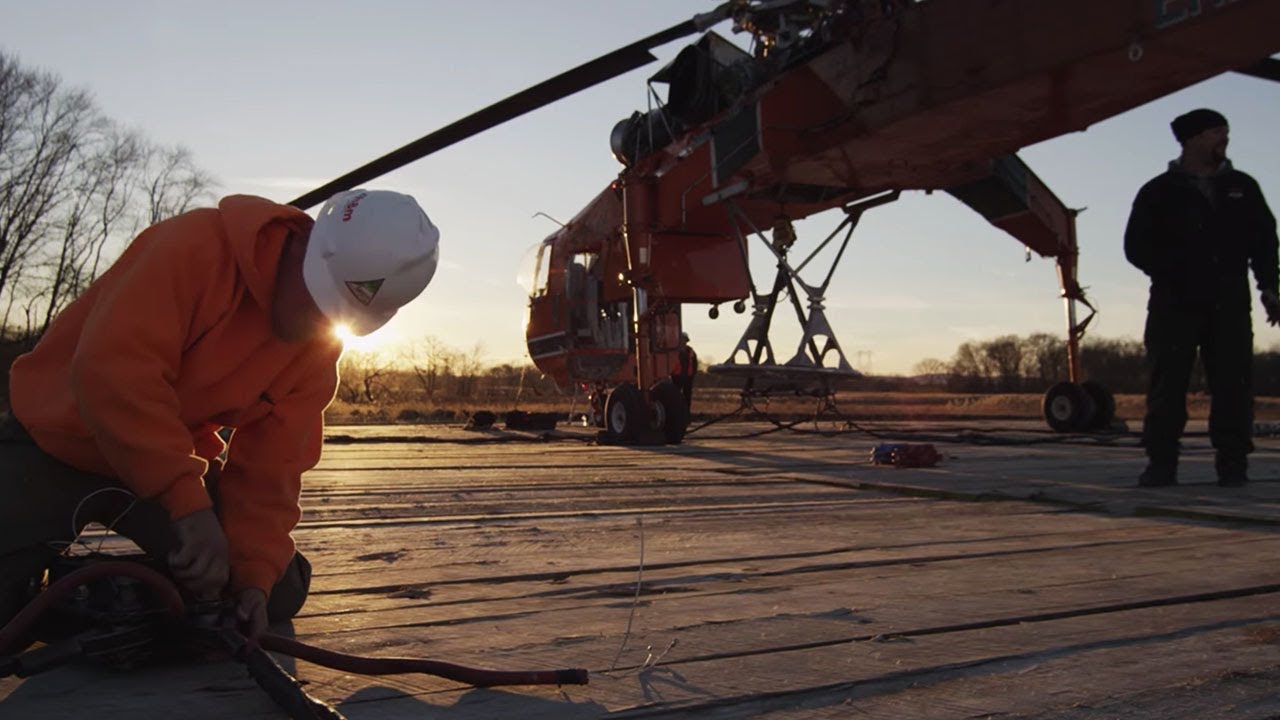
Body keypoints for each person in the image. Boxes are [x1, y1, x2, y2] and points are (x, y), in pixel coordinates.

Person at [0, 189, 440, 638]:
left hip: (160, 472)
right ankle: (40, 592)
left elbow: (273, 471)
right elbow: (111, 375)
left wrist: (252, 577)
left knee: (276, 592)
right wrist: (189, 508)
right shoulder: (192, 248)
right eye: (316, 295)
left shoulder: (317, 354)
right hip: (54, 444)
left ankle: (87, 595)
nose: (316, 321)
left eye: (334, 313)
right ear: (304, 243)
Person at [1124, 108, 1279, 488]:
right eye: (1215, 133)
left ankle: (1233, 464)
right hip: (1173, 302)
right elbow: (1135, 247)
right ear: (1191, 139)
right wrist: (1174, 269)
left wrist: (1269, 287)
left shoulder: (1243, 187)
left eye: (1225, 132)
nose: (1223, 140)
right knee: (1167, 384)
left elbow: (1264, 241)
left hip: (1229, 301)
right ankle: (1161, 464)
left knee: (1234, 384)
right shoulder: (1159, 191)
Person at [672, 331, 699, 412]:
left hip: (688, 377)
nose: (683, 341)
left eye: (684, 340)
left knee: (687, 396)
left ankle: (686, 414)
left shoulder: (691, 351)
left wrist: (692, 375)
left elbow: (695, 364)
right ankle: (676, 413)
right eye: (682, 340)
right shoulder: (673, 351)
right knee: (675, 396)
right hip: (676, 377)